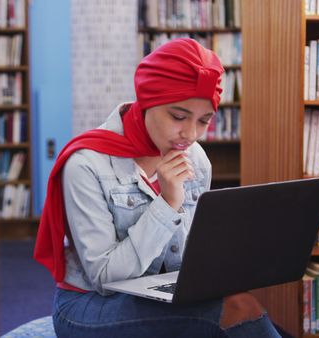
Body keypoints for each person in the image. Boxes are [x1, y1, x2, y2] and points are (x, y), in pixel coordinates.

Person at [33, 38, 282, 338]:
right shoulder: (86, 164)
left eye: (204, 120)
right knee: (239, 311)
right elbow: (103, 277)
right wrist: (167, 204)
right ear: (148, 100)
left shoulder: (197, 160)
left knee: (238, 303)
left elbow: (189, 259)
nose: (190, 134)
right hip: (90, 305)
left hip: (160, 294)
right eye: (178, 116)